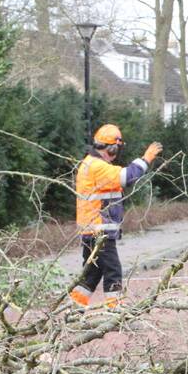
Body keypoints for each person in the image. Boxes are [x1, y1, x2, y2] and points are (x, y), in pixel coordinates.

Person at [70, 124, 163, 308]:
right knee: (113, 270)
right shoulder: (98, 167)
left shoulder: (91, 164)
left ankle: (73, 310)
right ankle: (116, 312)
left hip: (92, 230)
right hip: (99, 231)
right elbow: (128, 176)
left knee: (91, 274)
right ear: (112, 148)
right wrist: (147, 158)